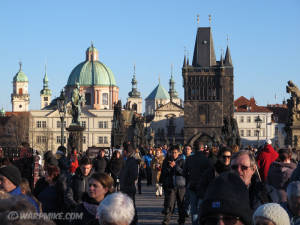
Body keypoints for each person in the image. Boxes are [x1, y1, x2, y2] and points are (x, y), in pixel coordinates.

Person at [183, 141, 211, 225]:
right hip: (203, 187)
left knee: (193, 208)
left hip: (192, 185)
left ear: (194, 149)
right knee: (201, 207)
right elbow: (210, 174)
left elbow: (184, 173)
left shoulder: (189, 159)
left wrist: (190, 179)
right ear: (202, 149)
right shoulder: (207, 160)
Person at [160, 145, 186, 225]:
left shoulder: (182, 161)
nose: (174, 154)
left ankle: (181, 220)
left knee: (181, 204)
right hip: (171, 186)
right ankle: (166, 221)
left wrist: (175, 166)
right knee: (170, 204)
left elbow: (183, 172)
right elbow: (164, 173)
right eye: (172, 152)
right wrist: (170, 167)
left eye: (175, 152)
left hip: (180, 186)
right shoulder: (166, 161)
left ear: (179, 153)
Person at [120, 144, 139, 225]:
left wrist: (126, 182)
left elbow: (134, 176)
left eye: (123, 151)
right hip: (126, 187)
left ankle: (133, 221)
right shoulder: (128, 160)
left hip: (129, 187)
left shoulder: (132, 161)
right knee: (129, 206)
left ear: (125, 151)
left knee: (131, 206)